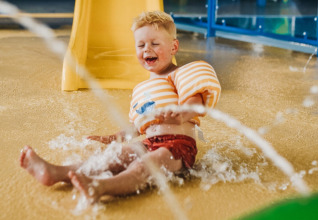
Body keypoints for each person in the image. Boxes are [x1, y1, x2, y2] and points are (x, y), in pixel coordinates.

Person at [19, 11, 221, 203]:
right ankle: (55, 173)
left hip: (178, 146)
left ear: (173, 47)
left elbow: (197, 104)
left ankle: (101, 187)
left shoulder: (178, 75)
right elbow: (137, 127)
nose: (146, 49)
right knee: (111, 158)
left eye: (154, 43)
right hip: (149, 143)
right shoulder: (142, 89)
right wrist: (112, 139)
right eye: (140, 45)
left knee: (143, 166)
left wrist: (181, 115)